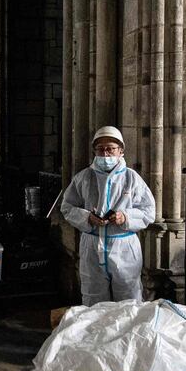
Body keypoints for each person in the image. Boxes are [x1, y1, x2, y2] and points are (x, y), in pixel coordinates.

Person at [61, 126, 156, 306]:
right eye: (100, 149)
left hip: (124, 246)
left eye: (110, 148)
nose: (105, 154)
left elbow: (148, 211)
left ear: (121, 150)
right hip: (92, 246)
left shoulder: (132, 178)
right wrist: (87, 217)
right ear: (94, 151)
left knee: (129, 299)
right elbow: (67, 207)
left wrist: (125, 217)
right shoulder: (84, 177)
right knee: (93, 298)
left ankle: (126, 333)